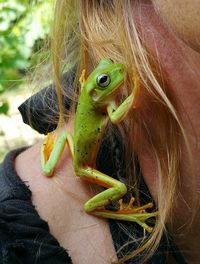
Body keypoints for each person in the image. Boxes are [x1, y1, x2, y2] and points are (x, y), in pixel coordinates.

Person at [1, 0, 200, 263]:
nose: (116, 74)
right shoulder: (13, 238)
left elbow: (108, 107)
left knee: (58, 163)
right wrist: (134, 93)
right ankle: (124, 213)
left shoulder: (96, 99)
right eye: (104, 80)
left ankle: (52, 154)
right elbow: (117, 115)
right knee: (117, 188)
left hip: (75, 142)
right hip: (85, 167)